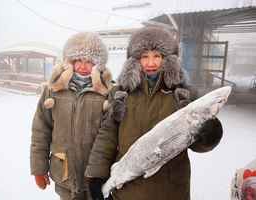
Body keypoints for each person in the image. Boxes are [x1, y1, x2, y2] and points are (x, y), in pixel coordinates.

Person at [85, 26, 223, 200]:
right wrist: (97, 176)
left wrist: (208, 134)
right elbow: (107, 136)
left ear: (169, 59)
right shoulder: (121, 94)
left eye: (157, 56)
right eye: (144, 57)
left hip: (170, 190)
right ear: (134, 61)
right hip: (128, 189)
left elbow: (196, 145)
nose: (151, 63)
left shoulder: (183, 95)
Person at [30, 32, 113, 200]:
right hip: (65, 174)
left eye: (89, 61)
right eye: (78, 61)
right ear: (69, 62)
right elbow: (41, 131)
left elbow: (113, 136)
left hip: (96, 176)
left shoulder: (108, 93)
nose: (83, 66)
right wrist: (39, 168)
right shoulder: (53, 90)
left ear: (98, 65)